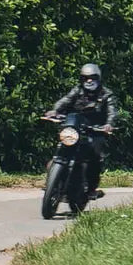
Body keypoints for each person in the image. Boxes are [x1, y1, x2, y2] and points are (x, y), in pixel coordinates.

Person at [46, 63, 117, 199]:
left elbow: (111, 111)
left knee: (95, 156)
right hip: (76, 127)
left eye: (92, 78)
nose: (89, 81)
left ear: (98, 78)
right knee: (61, 147)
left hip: (96, 130)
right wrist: (55, 110)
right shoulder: (77, 90)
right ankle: (53, 183)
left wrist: (109, 124)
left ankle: (91, 189)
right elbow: (65, 100)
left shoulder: (106, 94)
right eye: (85, 78)